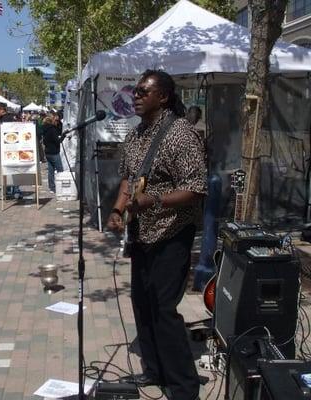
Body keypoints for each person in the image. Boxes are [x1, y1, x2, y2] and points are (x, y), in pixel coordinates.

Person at [107, 70, 207, 400]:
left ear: (162, 97)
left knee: (164, 309)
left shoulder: (181, 135)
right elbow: (127, 180)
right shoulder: (135, 137)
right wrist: (118, 211)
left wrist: (154, 200)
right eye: (135, 91)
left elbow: (195, 189)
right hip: (142, 234)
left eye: (142, 91)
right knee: (142, 303)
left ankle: (183, 387)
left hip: (172, 233)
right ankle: (154, 370)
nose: (135, 95)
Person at [0, 102, 22, 198]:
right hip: (9, 149)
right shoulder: (8, 118)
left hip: (9, 149)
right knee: (11, 170)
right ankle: (13, 191)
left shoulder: (1, 120)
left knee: (9, 170)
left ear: (2, 110)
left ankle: (14, 191)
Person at [42, 113, 64, 193]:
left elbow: (45, 141)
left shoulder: (45, 129)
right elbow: (57, 141)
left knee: (51, 171)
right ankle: (61, 187)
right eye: (56, 120)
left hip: (48, 152)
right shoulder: (52, 129)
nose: (57, 121)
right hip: (54, 152)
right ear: (52, 120)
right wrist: (63, 137)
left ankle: (52, 187)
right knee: (60, 170)